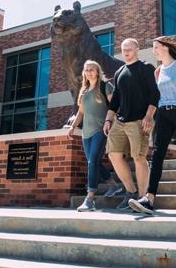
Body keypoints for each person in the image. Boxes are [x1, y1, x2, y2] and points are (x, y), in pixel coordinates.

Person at [130, 37, 176, 215]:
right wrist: (150, 115)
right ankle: (149, 199)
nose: (154, 51)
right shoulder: (157, 72)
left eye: (156, 47)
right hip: (163, 114)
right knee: (157, 156)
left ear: (165, 48)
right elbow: (156, 98)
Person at [103, 38, 159, 210]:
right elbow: (115, 101)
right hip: (120, 121)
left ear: (137, 49)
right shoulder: (120, 72)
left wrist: (149, 116)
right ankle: (131, 192)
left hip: (139, 120)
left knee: (139, 157)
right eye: (123, 49)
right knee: (113, 154)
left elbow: (155, 94)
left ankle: (144, 199)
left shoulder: (146, 68)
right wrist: (108, 119)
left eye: (130, 49)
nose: (126, 52)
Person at [67, 60, 115, 211]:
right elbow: (80, 112)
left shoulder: (105, 86)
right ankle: (113, 185)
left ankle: (90, 199)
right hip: (86, 133)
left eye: (92, 69)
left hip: (100, 130)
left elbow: (114, 106)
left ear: (98, 71)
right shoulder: (84, 90)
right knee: (93, 162)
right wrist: (73, 127)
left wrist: (111, 123)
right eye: (87, 70)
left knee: (93, 161)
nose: (89, 72)